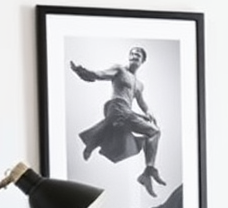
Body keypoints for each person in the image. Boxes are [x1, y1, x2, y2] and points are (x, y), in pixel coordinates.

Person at [70, 46, 166, 196]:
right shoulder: (120, 70)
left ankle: (147, 172)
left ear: (142, 61)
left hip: (126, 112)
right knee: (145, 128)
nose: (134, 56)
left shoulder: (139, 84)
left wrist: (148, 111)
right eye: (132, 53)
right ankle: (93, 141)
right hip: (117, 106)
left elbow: (141, 101)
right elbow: (101, 74)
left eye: (138, 55)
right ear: (129, 57)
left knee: (154, 132)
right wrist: (83, 72)